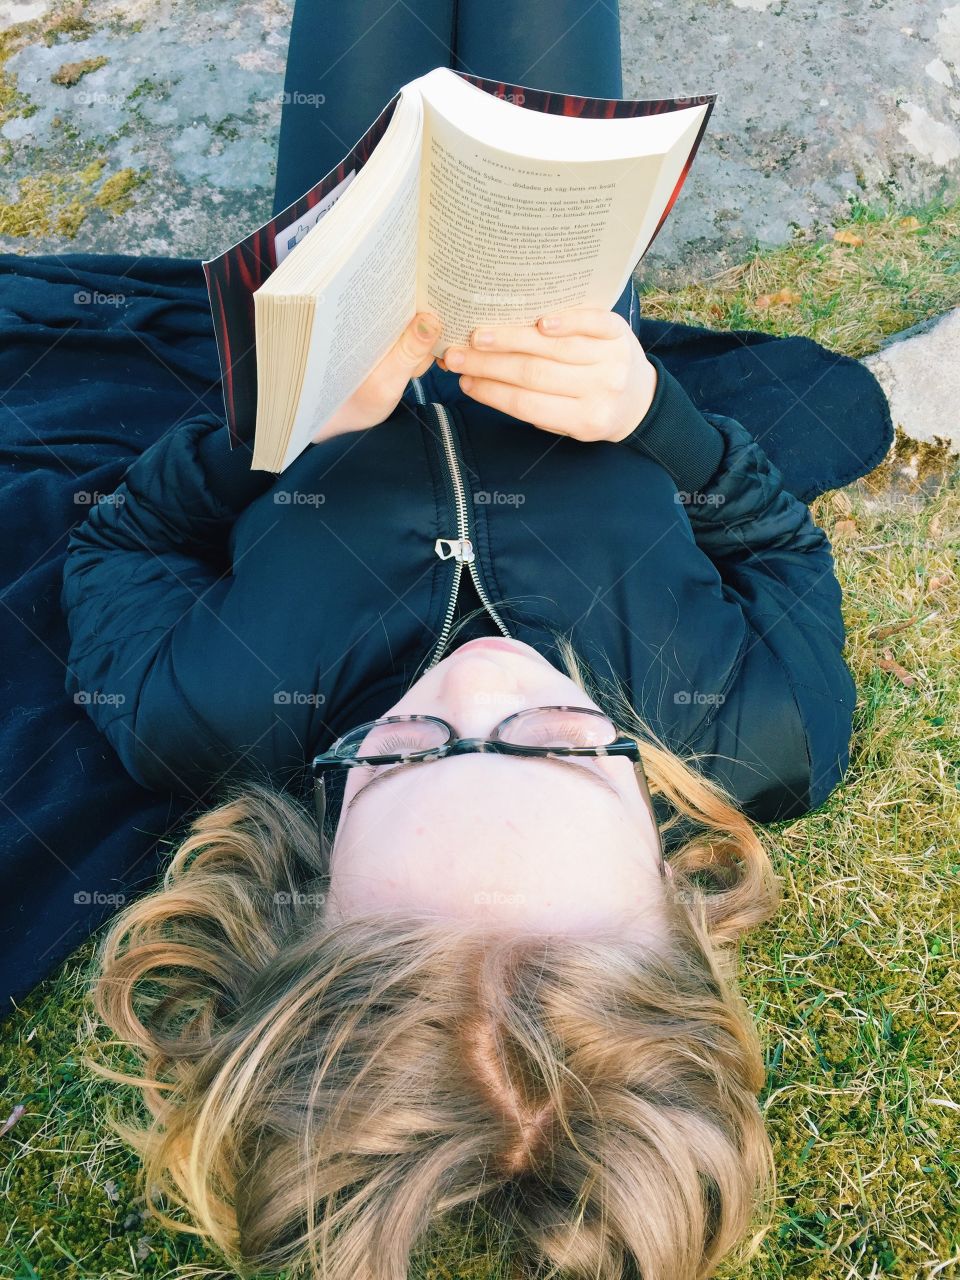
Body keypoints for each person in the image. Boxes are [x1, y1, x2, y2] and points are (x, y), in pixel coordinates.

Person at [62, 0, 857, 1276]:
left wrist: (282, 419)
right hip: (565, 285)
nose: (480, 682)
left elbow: (114, 544)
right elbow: (777, 549)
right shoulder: (765, 728)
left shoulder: (206, 710)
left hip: (347, 285)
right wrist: (661, 416)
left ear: (311, 876)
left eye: (409, 752)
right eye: (556, 744)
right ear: (670, 879)